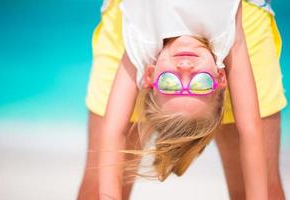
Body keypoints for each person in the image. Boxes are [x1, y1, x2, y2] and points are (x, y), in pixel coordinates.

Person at [78, 0, 287, 200]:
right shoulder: (228, 34)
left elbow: (114, 131)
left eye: (169, 83)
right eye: (201, 83)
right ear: (221, 76)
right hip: (247, 12)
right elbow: (250, 130)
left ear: (148, 75)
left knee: (97, 191)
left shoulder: (141, 39)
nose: (185, 68)